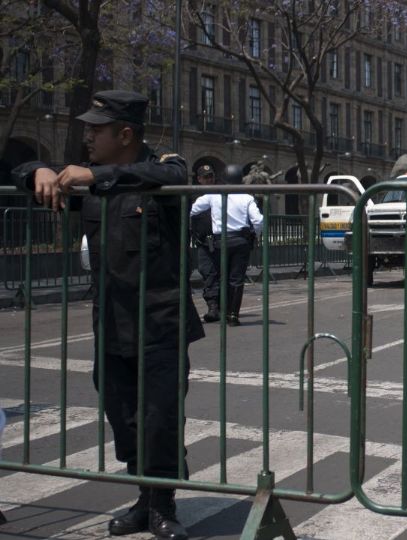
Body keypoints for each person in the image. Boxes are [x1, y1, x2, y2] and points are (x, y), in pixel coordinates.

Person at [13, 90, 202, 540]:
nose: (88, 138)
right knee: (123, 415)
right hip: (111, 324)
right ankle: (142, 497)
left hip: (160, 323)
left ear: (125, 134)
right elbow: (25, 175)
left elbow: (172, 172)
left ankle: (163, 504)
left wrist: (97, 174)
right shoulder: (91, 190)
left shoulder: (163, 176)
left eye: (97, 130)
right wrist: (36, 170)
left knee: (160, 418)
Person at [190, 177, 263, 326]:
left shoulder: (214, 194)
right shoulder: (247, 197)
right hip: (241, 241)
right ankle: (233, 315)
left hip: (220, 241)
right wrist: (256, 234)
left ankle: (221, 311)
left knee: (221, 276)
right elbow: (258, 220)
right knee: (236, 279)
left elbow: (193, 209)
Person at [191, 165, 219, 322]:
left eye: (211, 176)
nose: (209, 179)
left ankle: (224, 306)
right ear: (199, 179)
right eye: (206, 177)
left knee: (221, 273)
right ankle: (212, 306)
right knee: (207, 272)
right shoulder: (194, 195)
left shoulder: (220, 193)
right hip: (203, 241)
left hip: (221, 241)